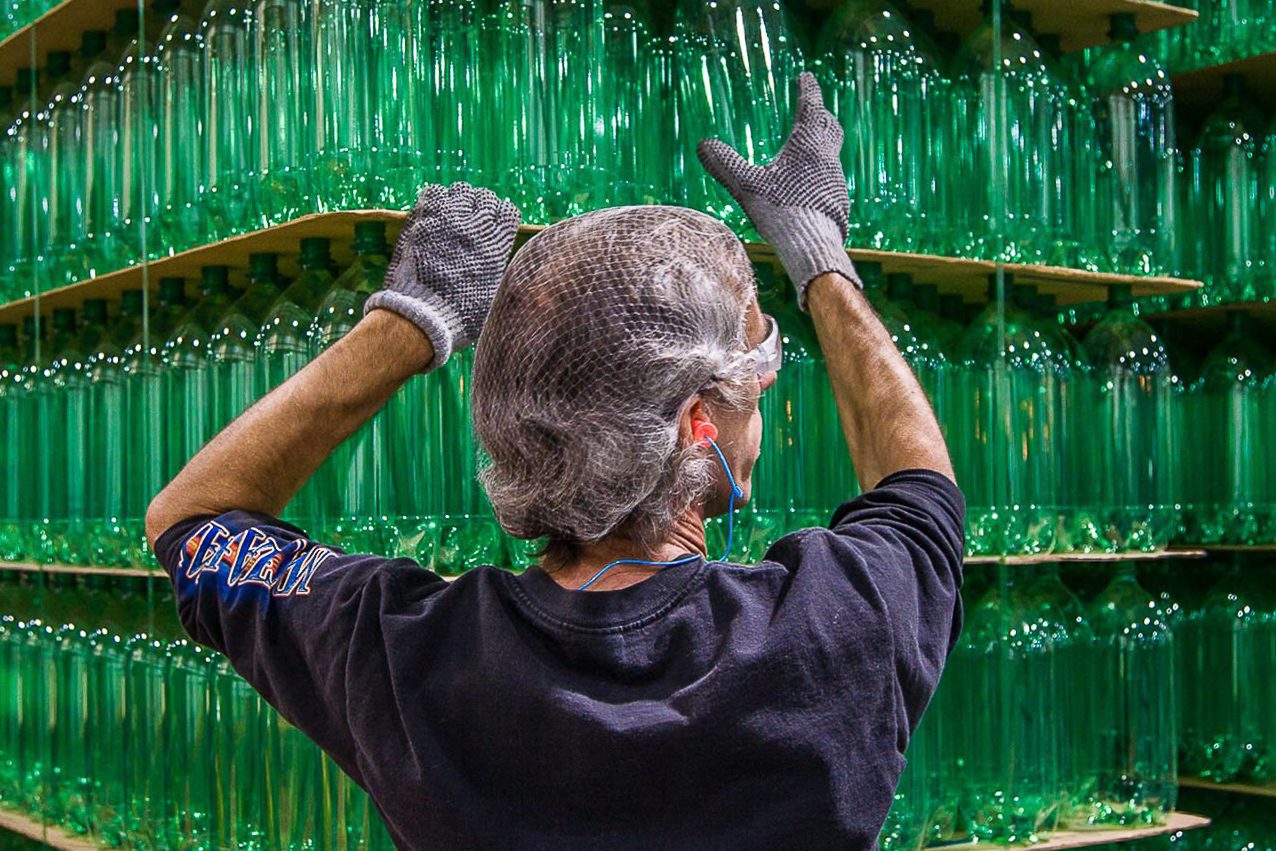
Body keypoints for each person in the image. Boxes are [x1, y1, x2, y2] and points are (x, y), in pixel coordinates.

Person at [146, 74, 962, 850]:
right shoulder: (837, 624)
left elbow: (188, 518)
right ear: (698, 422)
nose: (768, 398)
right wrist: (820, 260)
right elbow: (920, 488)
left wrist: (407, 326)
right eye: (759, 366)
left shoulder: (402, 656)